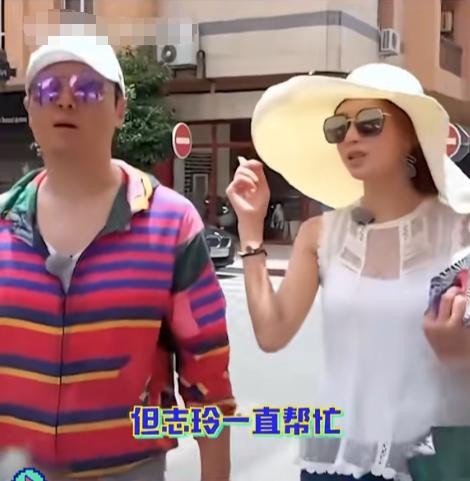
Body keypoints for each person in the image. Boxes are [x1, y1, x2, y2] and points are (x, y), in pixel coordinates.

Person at [0, 36, 235, 481]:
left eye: (87, 89)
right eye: (48, 89)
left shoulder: (171, 224)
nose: (65, 100)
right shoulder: (3, 221)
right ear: (29, 109)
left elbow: (207, 376)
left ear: (119, 109)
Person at [226, 63, 470, 480]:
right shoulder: (319, 234)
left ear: (411, 134)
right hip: (332, 460)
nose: (351, 136)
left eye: (370, 122)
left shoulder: (460, 231)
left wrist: (459, 355)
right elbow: (272, 333)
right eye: (339, 128)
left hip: (430, 462)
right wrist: (251, 230)